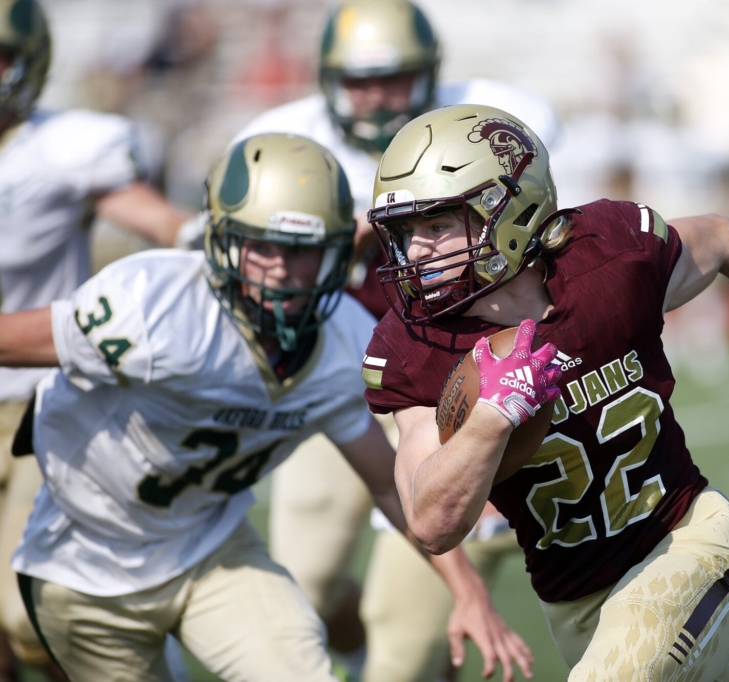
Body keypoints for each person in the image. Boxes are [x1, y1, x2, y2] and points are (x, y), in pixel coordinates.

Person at [361, 103, 729, 682]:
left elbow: (722, 238)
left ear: (503, 208)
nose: (415, 253)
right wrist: (493, 415)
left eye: (436, 226)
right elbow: (432, 524)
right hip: (574, 601)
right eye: (407, 232)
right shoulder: (414, 345)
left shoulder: (607, 258)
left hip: (685, 540)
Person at [0, 132, 531, 682]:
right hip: (83, 563)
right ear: (224, 241)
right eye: (264, 246)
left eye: (302, 251)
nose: (280, 269)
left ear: (333, 253)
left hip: (211, 549)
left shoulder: (343, 337)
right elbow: (10, 340)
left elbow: (383, 483)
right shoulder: (151, 306)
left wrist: (468, 592)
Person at [229, 1, 559, 678]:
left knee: (403, 645)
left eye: (394, 79)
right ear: (327, 80)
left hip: (448, 382)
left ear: (430, 73)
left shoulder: (486, 125)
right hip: (334, 382)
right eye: (358, 81)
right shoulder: (284, 137)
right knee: (303, 592)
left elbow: (533, 250)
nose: (375, 97)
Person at [0, 1, 192, 677]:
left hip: (40, 404)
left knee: (33, 618)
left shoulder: (62, 146)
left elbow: (154, 217)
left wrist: (210, 240)